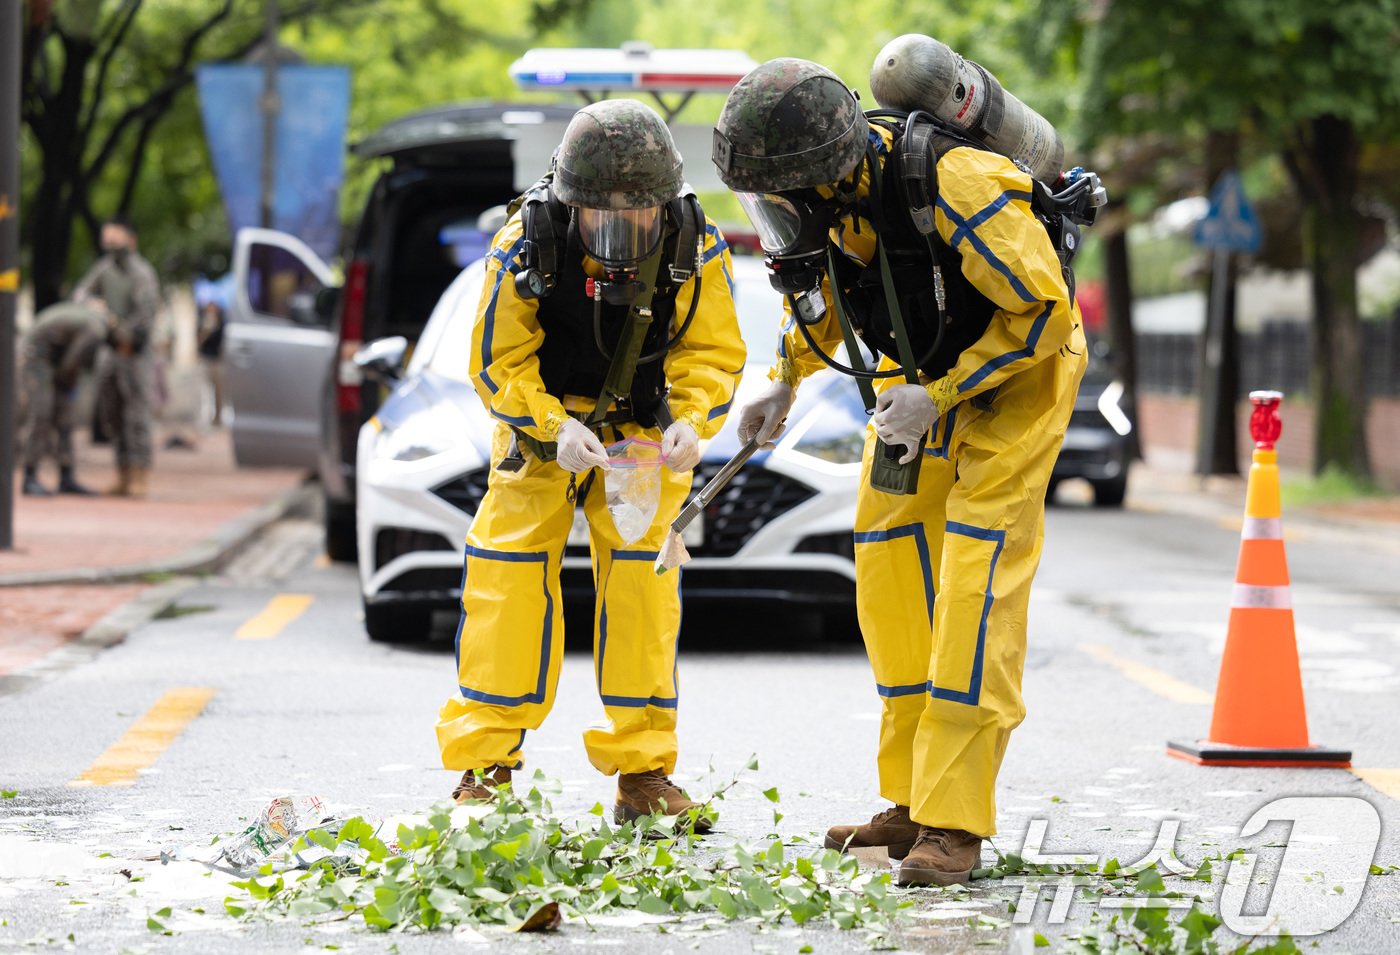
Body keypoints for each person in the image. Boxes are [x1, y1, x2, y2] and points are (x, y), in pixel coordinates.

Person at [714, 58, 1087, 884]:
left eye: (780, 201)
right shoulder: (832, 205)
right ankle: (912, 799)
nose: (776, 220)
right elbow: (836, 298)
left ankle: (955, 822)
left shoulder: (953, 182)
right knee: (891, 572)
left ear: (829, 175)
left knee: (971, 591)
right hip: (912, 380)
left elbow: (1046, 314)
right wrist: (784, 377)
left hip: (1015, 385)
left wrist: (944, 392)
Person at [434, 100, 745, 828]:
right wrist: (550, 424)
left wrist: (692, 421)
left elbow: (711, 352)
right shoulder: (527, 240)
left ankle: (644, 774)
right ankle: (485, 769)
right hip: (544, 423)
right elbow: (495, 360)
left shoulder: (694, 243)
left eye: (632, 218)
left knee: (644, 588)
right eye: (598, 218)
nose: (616, 235)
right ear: (570, 204)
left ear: (661, 205)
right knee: (506, 580)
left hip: (641, 426)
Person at [72, 215, 161, 497]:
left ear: (130, 239)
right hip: (109, 350)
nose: (109, 243)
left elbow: (144, 318)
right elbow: (80, 294)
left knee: (136, 413)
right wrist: (94, 307)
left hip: (134, 352)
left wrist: (121, 330)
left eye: (115, 238)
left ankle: (139, 474)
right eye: (106, 238)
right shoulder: (104, 269)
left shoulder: (142, 273)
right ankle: (122, 472)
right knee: (112, 412)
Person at [17, 301, 108, 496]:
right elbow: (74, 357)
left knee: (65, 417)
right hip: (37, 357)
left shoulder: (88, 317)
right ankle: (29, 477)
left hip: (54, 358)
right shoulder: (97, 328)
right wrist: (68, 380)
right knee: (41, 413)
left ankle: (66, 477)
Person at [197, 299, 227, 428]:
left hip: (218, 361)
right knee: (205, 389)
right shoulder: (202, 323)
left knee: (219, 391)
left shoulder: (221, 324)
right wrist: (206, 330)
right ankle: (205, 416)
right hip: (206, 359)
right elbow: (198, 341)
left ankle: (218, 417)